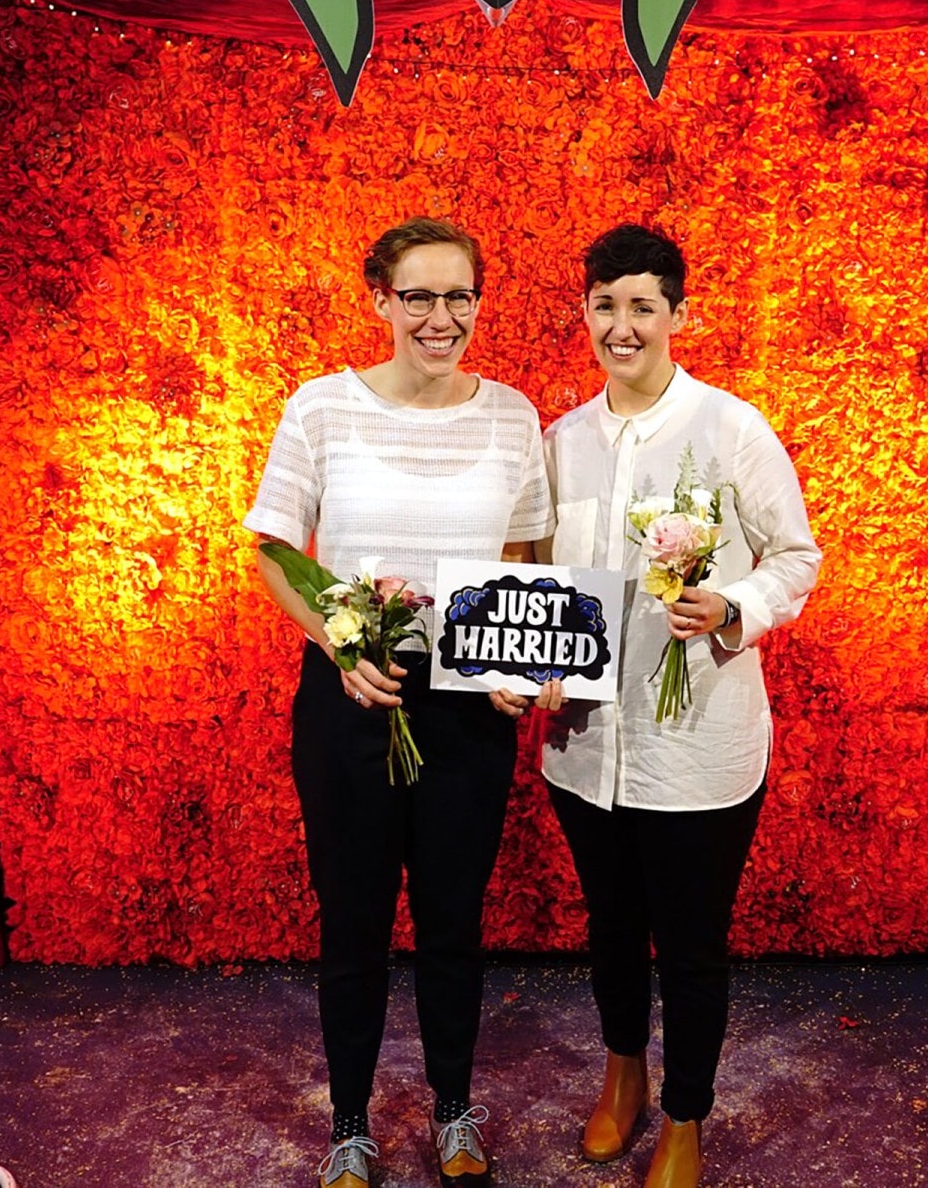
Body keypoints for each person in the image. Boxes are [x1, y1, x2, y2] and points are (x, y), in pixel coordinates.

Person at [244, 217, 551, 1188]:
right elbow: (271, 547)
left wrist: (525, 656)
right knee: (354, 919)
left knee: (453, 920)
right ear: (379, 298)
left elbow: (534, 558)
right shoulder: (321, 408)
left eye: (458, 295)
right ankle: (349, 1123)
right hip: (351, 697)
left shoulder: (511, 414)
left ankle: (454, 1109)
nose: (440, 315)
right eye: (417, 294)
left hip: (466, 706)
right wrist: (337, 640)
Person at [537, 224, 821, 1188]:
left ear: (677, 315)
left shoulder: (730, 428)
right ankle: (623, 1079)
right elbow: (539, 575)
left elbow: (796, 558)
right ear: (585, 312)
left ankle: (685, 1119)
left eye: (642, 307)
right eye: (606, 305)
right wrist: (521, 653)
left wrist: (734, 606)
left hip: (699, 744)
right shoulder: (562, 440)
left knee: (691, 944)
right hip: (586, 747)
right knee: (611, 927)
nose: (623, 325)